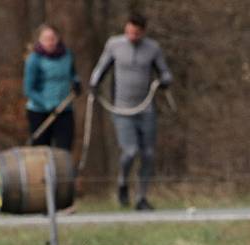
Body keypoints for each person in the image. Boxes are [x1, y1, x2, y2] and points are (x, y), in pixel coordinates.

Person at [89, 12, 172, 211]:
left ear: (143, 32)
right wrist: (94, 84)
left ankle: (141, 197)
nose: (132, 36)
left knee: (148, 154)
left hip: (145, 108)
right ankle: (122, 183)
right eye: (129, 32)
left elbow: (165, 71)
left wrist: (165, 81)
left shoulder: (153, 48)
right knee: (130, 150)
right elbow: (101, 68)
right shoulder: (114, 45)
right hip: (122, 108)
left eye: (136, 33)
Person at [23, 24, 81, 151]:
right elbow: (28, 89)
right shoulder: (34, 60)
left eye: (52, 38)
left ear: (58, 38)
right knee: (42, 151)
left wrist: (76, 82)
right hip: (40, 112)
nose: (50, 42)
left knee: (64, 148)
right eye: (46, 39)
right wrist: (48, 104)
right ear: (39, 40)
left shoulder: (67, 55)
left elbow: (72, 73)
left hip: (64, 109)